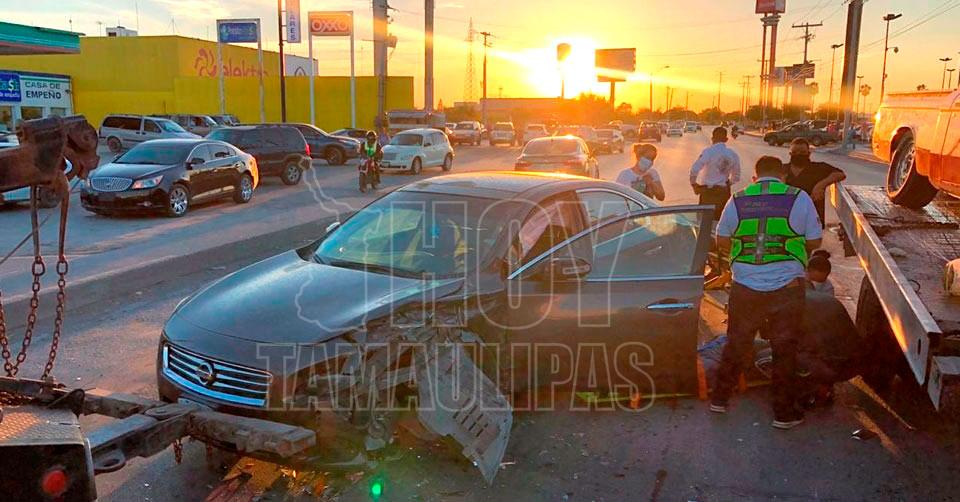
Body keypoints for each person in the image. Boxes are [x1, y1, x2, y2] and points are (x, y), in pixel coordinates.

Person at [710, 155, 823, 430]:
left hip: (746, 286)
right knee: (784, 350)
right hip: (786, 288)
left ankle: (719, 399)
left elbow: (722, 240)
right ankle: (783, 414)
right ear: (782, 176)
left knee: (737, 343)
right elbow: (815, 241)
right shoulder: (798, 197)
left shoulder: (738, 199)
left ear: (755, 177)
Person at [784, 138, 846, 227]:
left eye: (802, 152)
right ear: (790, 154)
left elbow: (840, 174)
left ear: (809, 153)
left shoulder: (818, 168)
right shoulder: (782, 169)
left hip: (813, 220)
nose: (798, 154)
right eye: (795, 152)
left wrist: (821, 185)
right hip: (787, 220)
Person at [690, 127, 741, 220]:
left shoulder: (708, 152)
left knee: (704, 222)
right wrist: (728, 184)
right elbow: (736, 176)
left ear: (712, 138)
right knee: (722, 221)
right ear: (726, 139)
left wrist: (694, 184)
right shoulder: (733, 154)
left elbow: (694, 170)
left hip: (707, 193)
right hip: (723, 193)